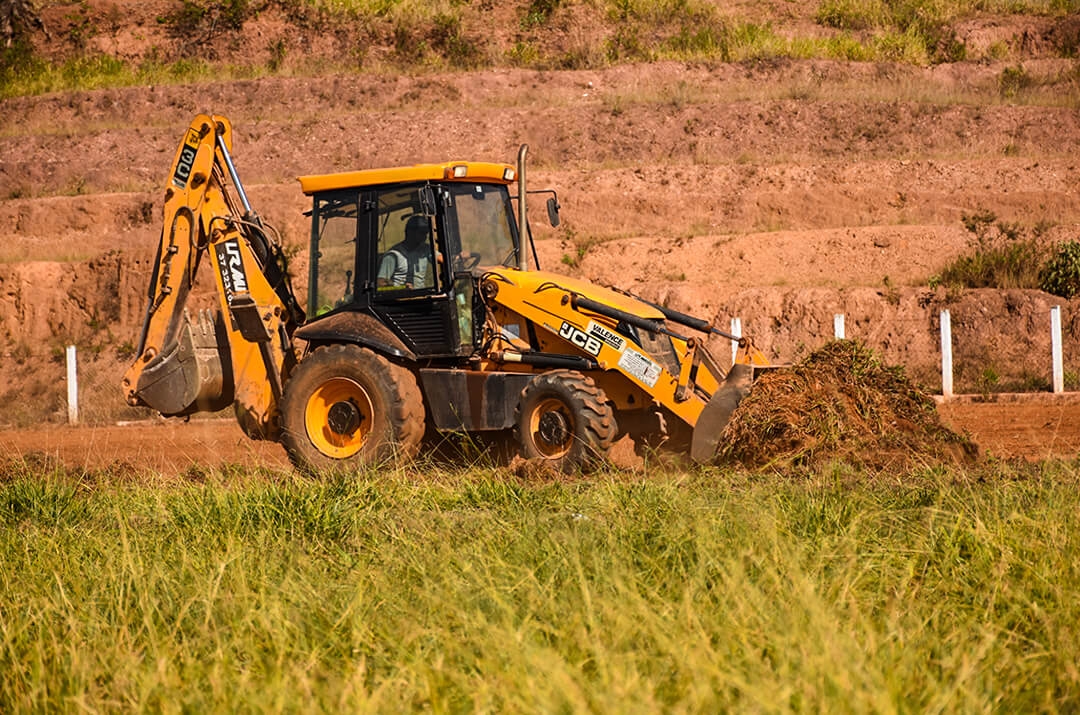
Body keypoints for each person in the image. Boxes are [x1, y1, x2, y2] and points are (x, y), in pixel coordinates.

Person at [377, 215, 435, 289]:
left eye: (426, 233)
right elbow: (380, 282)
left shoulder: (425, 249)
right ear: (410, 232)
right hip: (403, 297)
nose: (425, 237)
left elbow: (441, 259)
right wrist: (402, 288)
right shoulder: (393, 255)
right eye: (421, 233)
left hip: (421, 295)